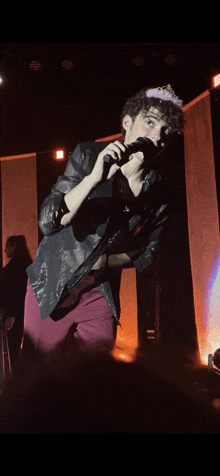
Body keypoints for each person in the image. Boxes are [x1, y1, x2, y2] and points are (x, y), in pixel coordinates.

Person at [22, 84, 185, 367]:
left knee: (98, 379)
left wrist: (102, 262)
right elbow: (49, 222)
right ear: (127, 123)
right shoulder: (88, 155)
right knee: (38, 375)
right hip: (51, 285)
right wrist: (93, 179)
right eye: (149, 123)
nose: (156, 136)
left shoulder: (159, 189)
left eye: (165, 131)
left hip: (99, 293)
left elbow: (149, 251)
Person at [0, 235, 33, 367]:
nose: (5, 250)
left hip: (14, 317)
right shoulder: (28, 267)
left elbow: (14, 294)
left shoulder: (12, 270)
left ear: (14, 246)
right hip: (27, 315)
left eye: (7, 246)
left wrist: (11, 314)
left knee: (13, 352)